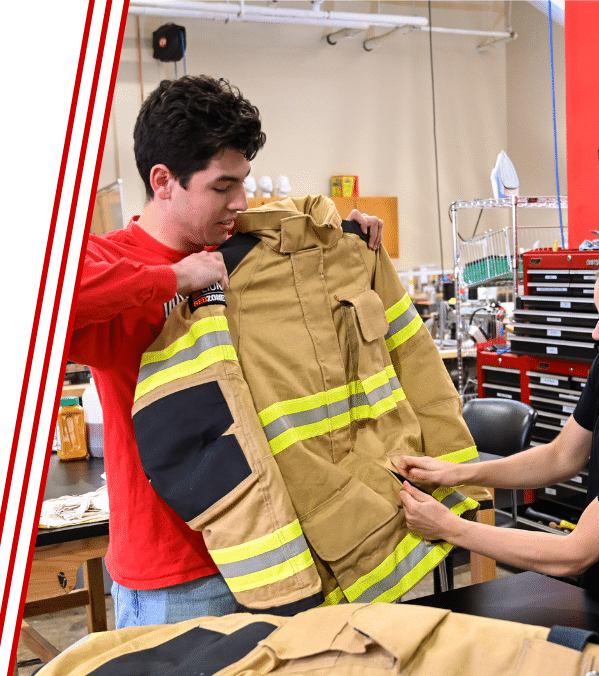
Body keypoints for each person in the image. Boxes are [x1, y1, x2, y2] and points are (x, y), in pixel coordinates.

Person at [69, 76, 382, 628]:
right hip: (177, 575)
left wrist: (345, 238)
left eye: (243, 182)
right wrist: (173, 278)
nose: (240, 202)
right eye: (222, 186)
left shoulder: (244, 252)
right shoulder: (108, 262)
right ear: (163, 181)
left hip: (281, 551)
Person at [399, 234, 599, 634]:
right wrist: (459, 472)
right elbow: (562, 456)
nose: (597, 333)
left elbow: (574, 552)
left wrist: (449, 527)